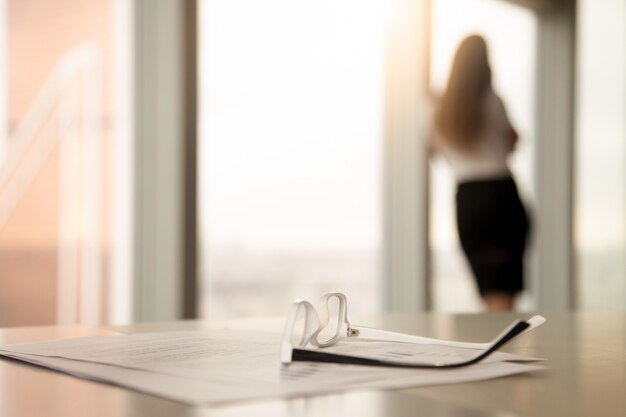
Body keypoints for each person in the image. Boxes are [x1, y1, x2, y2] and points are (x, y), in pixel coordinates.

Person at [431, 35, 529, 311]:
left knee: (489, 292)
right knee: (502, 297)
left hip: (469, 201)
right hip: (500, 197)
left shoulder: (437, 108)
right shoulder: (491, 100)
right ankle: (502, 352)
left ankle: (494, 351)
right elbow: (511, 142)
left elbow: (437, 151)